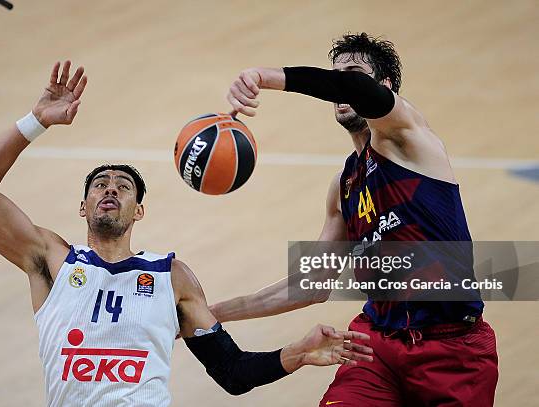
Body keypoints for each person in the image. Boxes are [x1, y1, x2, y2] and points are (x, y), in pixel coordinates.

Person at [0, 60, 374, 407]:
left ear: (139, 211)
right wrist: (35, 122)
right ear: (82, 208)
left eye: (123, 185)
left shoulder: (172, 278)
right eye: (100, 184)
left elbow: (233, 373)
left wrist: (297, 354)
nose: (111, 188)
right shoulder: (50, 260)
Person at [212, 33, 498, 406]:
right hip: (374, 345)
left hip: (452, 352)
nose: (341, 86)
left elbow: (348, 87)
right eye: (337, 76)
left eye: (354, 75)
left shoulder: (410, 137)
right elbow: (310, 284)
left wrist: (264, 77)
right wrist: (212, 313)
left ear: (384, 87)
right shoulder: (344, 186)